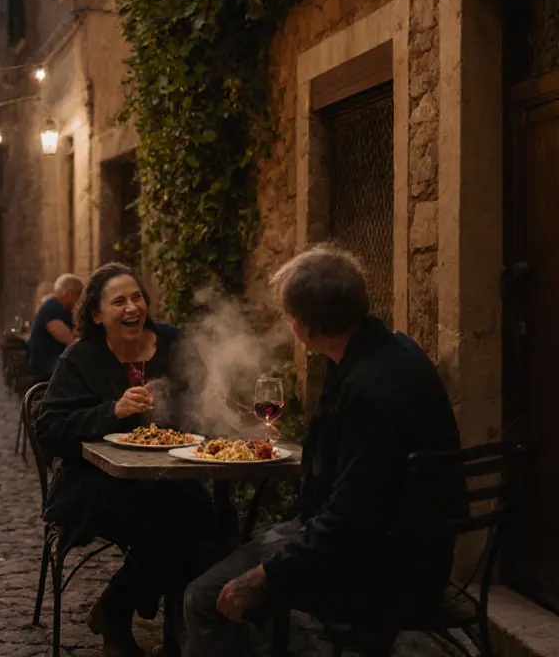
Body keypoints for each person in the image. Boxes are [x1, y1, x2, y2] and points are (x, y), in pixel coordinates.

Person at [183, 245, 462, 655]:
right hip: (402, 547)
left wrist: (266, 576)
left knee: (206, 597)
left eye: (289, 314)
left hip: (384, 569)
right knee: (245, 551)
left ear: (307, 327)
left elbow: (351, 521)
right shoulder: (383, 350)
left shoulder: (371, 389)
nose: (285, 321)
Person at [36, 262, 213, 657]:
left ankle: (157, 621)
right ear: (97, 315)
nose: (132, 307)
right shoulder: (81, 357)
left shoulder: (169, 342)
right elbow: (49, 429)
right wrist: (110, 412)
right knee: (173, 521)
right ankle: (123, 613)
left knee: (208, 517)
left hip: (172, 474)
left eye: (137, 297)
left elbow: (201, 400)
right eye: (119, 301)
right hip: (96, 482)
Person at [28, 273, 83, 381]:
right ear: (69, 294)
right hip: (47, 364)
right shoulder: (52, 308)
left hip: (56, 360)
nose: (81, 299)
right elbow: (69, 340)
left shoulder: (64, 308)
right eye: (79, 293)